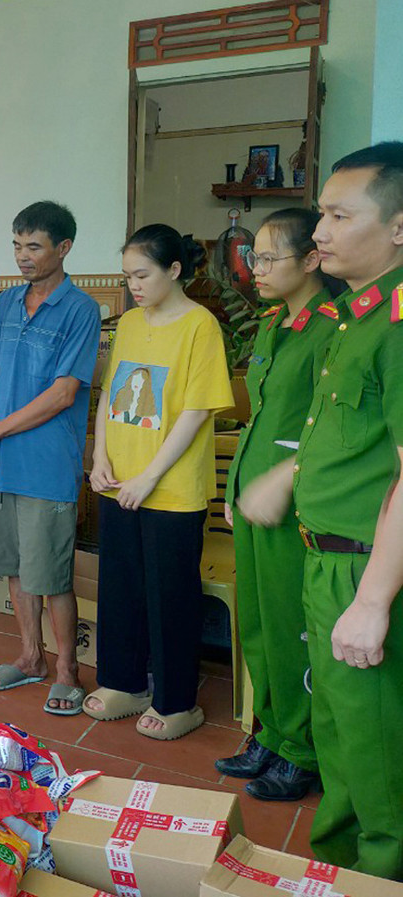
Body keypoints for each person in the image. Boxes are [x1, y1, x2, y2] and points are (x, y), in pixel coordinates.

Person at [245, 142, 403, 877]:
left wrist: (373, 599)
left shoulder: (398, 324)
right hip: (324, 555)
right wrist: (293, 472)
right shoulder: (356, 319)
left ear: (399, 226)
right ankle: (338, 874)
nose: (321, 234)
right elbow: (355, 439)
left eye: (340, 216)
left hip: (367, 567)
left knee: (375, 765)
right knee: (340, 747)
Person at [83, 225, 232, 741]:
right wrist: (100, 455)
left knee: (169, 594)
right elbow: (109, 394)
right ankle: (124, 683)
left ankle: (176, 702)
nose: (133, 286)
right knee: (119, 587)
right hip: (119, 479)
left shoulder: (200, 325)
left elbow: (194, 412)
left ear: (174, 270)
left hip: (169, 487)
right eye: (127, 277)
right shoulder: (127, 321)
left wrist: (149, 476)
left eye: (142, 275)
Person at [215, 208, 341, 801]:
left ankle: (302, 747)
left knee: (295, 628)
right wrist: (236, 488)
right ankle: (271, 730)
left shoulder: (332, 330)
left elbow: (323, 430)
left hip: (295, 505)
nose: (253, 269)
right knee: (261, 623)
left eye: (267, 258)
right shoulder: (271, 325)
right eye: (252, 258)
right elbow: (260, 421)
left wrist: (277, 485)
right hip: (254, 500)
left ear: (312, 259)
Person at [0, 202, 101, 715]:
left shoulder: (81, 311)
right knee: (16, 568)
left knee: (51, 573)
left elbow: (64, 392)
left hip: (46, 463)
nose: (23, 257)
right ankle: (30, 656)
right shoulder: (2, 306)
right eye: (17, 245)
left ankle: (68, 669)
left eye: (34, 247)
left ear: (63, 249)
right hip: (1, 461)